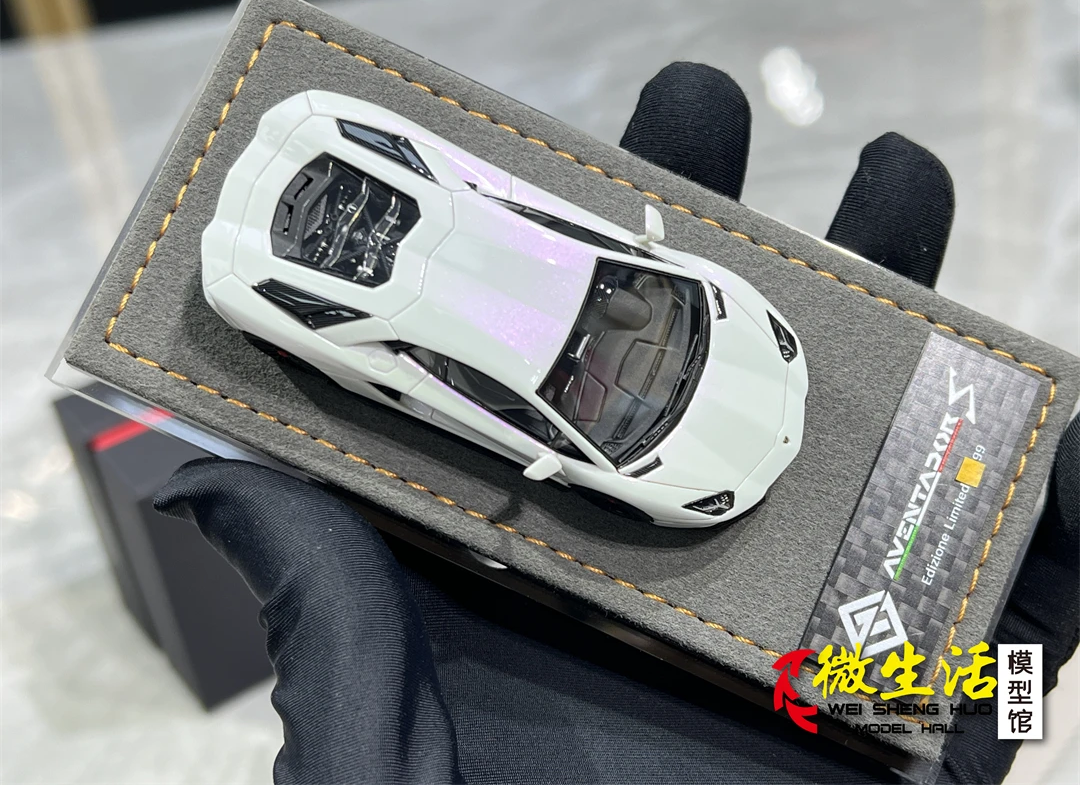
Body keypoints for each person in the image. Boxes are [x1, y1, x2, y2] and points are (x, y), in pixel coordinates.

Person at [155, 63, 1078, 785]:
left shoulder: (984, 717)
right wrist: (1003, 718)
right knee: (1012, 672)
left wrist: (992, 724)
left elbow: (1007, 703)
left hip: (886, 713)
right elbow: (1011, 700)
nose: (1015, 698)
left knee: (1008, 669)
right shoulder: (998, 707)